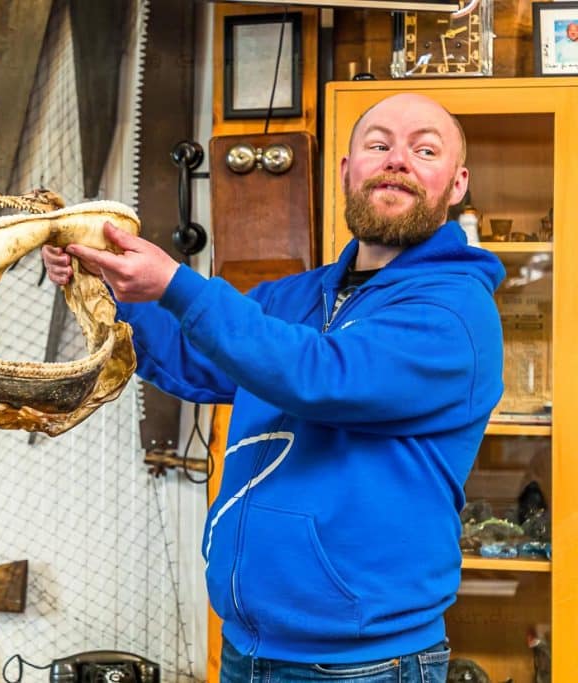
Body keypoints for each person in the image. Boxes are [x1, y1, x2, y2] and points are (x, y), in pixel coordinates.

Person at [42, 93, 505, 682]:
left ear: (457, 184)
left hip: (365, 664)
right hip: (248, 649)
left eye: (426, 150)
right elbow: (195, 355)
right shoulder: (296, 297)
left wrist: (177, 284)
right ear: (348, 170)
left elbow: (321, 376)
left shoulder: (455, 312)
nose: (397, 160)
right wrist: (107, 286)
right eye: (379, 144)